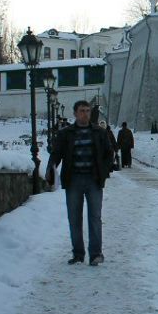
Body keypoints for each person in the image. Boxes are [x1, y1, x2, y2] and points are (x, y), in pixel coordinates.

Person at [45, 100, 115, 266]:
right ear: (75, 113)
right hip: (73, 180)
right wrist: (50, 168)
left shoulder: (99, 132)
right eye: (82, 111)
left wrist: (102, 173)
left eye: (88, 111)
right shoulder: (66, 134)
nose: (85, 113)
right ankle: (78, 253)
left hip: (93, 180)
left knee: (95, 217)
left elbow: (109, 154)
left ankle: (96, 254)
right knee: (74, 217)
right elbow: (56, 153)